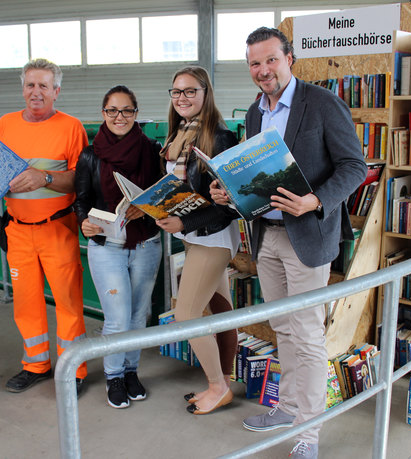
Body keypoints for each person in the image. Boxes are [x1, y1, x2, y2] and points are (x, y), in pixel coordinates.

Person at [210, 28, 367, 458]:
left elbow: (355, 166)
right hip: (267, 236)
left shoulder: (321, 104)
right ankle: (289, 408)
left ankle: (308, 434)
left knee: (308, 335)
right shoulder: (256, 115)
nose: (263, 70)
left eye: (270, 60)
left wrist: (315, 200)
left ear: (289, 58)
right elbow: (259, 175)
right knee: (283, 328)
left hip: (307, 237)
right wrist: (229, 189)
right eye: (255, 64)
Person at [0, 58, 89, 396]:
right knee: (25, 303)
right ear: (22, 89)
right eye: (30, 85)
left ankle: (74, 370)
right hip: (17, 231)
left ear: (56, 91)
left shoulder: (72, 128)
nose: (36, 92)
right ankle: (35, 365)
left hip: (58, 228)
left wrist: (44, 177)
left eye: (44, 86)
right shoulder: (5, 124)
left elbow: (81, 180)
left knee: (68, 303)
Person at [156, 66, 239, 415]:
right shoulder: (178, 135)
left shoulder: (220, 138)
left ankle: (218, 388)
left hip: (213, 237)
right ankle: (227, 377)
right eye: (177, 92)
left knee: (187, 314)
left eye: (191, 91)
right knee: (220, 307)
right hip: (193, 237)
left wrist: (183, 220)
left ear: (206, 93)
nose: (182, 98)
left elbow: (228, 208)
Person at [74, 85, 162, 409]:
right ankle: (113, 376)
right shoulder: (89, 154)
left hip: (146, 244)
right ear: (103, 114)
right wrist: (84, 222)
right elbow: (80, 201)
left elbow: (163, 196)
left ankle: (130, 371)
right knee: (117, 318)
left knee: (140, 314)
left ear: (136, 114)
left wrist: (148, 207)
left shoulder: (152, 150)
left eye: (126, 110)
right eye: (113, 110)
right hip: (106, 246)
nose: (119, 117)